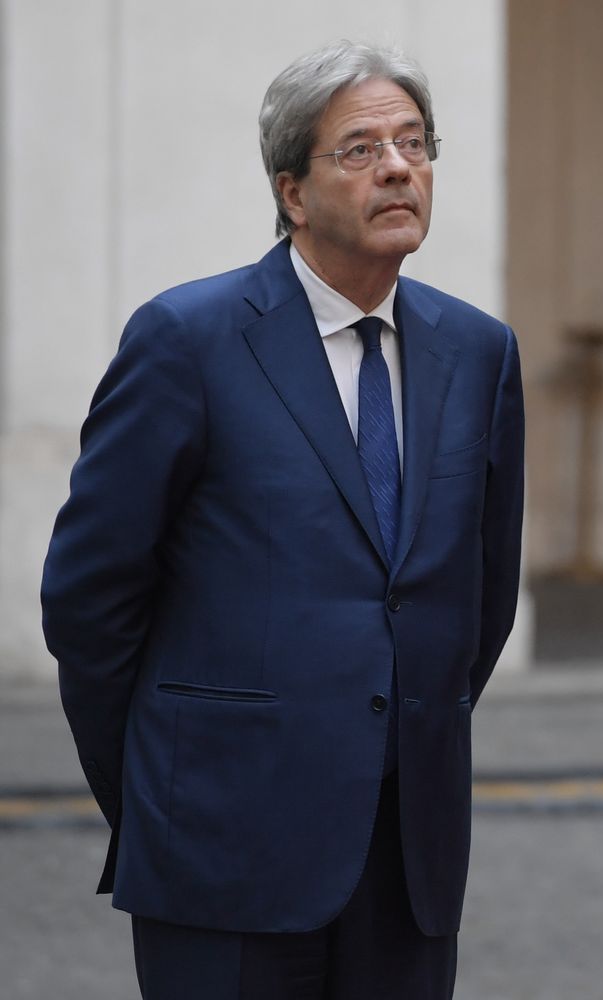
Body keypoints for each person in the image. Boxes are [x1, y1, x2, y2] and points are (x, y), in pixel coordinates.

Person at [40, 40, 523, 1000]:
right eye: (362, 149)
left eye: (415, 143)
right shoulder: (188, 339)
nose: (398, 168)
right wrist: (159, 794)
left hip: (408, 859)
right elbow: (90, 600)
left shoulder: (478, 350)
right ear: (292, 192)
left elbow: (482, 595)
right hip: (223, 847)